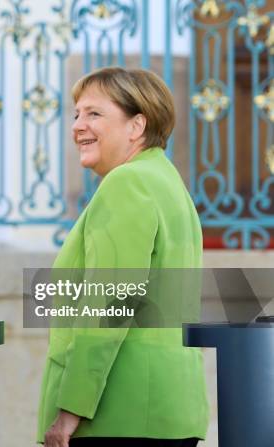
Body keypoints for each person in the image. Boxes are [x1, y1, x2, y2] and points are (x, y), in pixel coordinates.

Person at [37, 67, 209, 446]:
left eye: (94, 113)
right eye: (77, 113)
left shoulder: (126, 183)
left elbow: (109, 304)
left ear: (136, 126)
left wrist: (70, 410)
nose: (78, 125)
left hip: (118, 416)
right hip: (167, 411)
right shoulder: (167, 183)